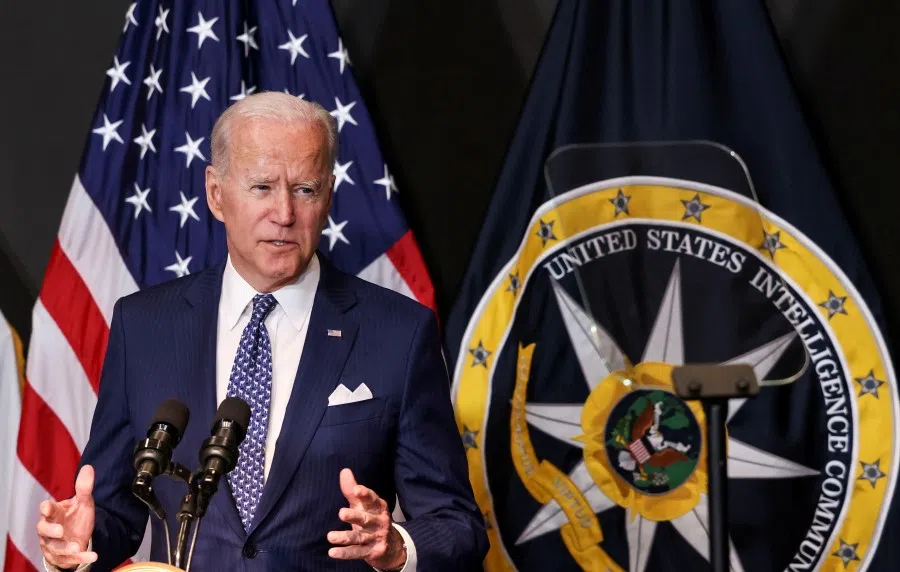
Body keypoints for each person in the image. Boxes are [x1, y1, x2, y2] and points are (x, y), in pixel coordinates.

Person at [35, 92, 488, 571]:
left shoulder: (398, 332)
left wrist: (397, 546)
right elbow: (111, 513)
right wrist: (77, 543)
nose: (285, 213)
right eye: (262, 188)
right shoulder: (144, 326)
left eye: (305, 190)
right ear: (216, 194)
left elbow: (457, 524)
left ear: (329, 196)